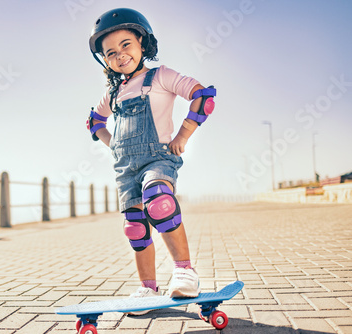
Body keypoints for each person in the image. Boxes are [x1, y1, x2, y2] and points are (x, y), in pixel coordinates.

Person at [87, 8, 216, 314]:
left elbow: (203, 96)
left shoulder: (161, 76)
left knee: (159, 202)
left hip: (158, 157)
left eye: (126, 45)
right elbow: (94, 122)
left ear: (143, 43)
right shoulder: (113, 93)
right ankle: (148, 289)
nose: (120, 55)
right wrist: (114, 145)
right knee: (135, 227)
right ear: (105, 60)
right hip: (125, 168)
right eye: (111, 52)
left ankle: (185, 272)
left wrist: (183, 135)